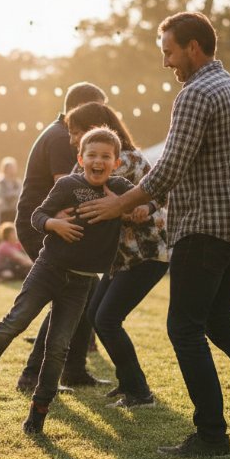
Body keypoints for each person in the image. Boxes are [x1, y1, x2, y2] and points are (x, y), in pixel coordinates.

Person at [77, 12, 230, 457]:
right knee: (220, 321)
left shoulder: (195, 92)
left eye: (169, 51)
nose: (166, 62)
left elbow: (170, 167)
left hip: (205, 228)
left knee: (184, 327)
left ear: (193, 47)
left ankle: (212, 435)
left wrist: (117, 204)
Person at [0, 127, 134, 434]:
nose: (98, 161)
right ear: (81, 158)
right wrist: (54, 223)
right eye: (92, 155)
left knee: (58, 347)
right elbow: (37, 215)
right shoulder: (67, 184)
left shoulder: (120, 188)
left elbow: (150, 203)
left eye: (106, 156)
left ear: (116, 162)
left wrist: (131, 206)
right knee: (16, 320)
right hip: (49, 268)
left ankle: (38, 411)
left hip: (80, 283)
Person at [63, 101, 168, 408]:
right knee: (97, 315)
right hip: (117, 259)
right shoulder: (83, 163)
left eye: (77, 131)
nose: (73, 138)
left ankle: (139, 392)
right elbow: (73, 196)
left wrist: (142, 208)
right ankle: (128, 382)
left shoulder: (132, 160)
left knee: (107, 319)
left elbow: (160, 195)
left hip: (147, 253)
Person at [16, 81, 109, 393]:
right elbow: (70, 188)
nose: (104, 119)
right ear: (79, 111)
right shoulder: (60, 137)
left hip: (56, 223)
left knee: (85, 288)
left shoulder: (62, 133)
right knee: (69, 291)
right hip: (42, 226)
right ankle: (32, 376)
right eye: (98, 110)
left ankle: (74, 369)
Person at [0, 157, 21, 247]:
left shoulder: (17, 182)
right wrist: (12, 195)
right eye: (9, 168)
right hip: (4, 211)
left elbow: (20, 193)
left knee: (14, 233)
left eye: (12, 168)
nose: (11, 170)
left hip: (14, 210)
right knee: (3, 234)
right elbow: (1, 195)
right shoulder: (0, 181)